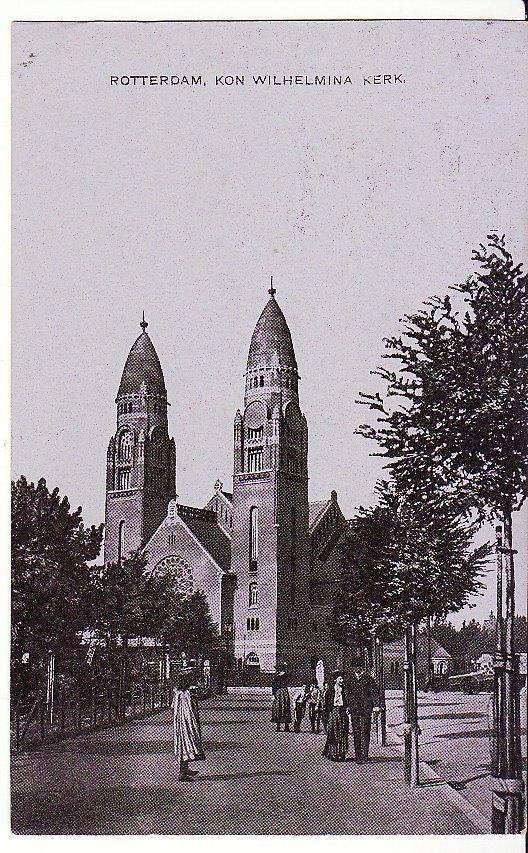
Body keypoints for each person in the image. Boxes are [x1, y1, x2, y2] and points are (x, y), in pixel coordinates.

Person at [173, 668, 205, 781]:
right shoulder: (188, 692)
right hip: (187, 722)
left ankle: (185, 769)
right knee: (187, 744)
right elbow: (203, 694)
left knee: (184, 745)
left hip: (181, 722)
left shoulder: (178, 692)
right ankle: (182, 773)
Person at [348, 665, 380, 762]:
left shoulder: (368, 678)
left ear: (361, 668)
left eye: (358, 667)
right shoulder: (350, 678)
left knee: (365, 731)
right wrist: (348, 706)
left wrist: (376, 705)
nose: (357, 669)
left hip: (366, 709)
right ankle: (358, 755)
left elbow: (374, 692)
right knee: (356, 732)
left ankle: (365, 755)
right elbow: (347, 693)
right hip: (354, 709)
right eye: (355, 667)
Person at [322, 670, 349, 761]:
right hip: (333, 712)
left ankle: (342, 753)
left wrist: (347, 708)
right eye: (340, 678)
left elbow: (347, 701)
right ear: (335, 680)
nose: (342, 680)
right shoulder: (330, 690)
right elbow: (327, 703)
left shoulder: (345, 690)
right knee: (333, 732)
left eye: (342, 678)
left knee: (342, 732)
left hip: (342, 712)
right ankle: (333, 753)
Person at [271, 667, 292, 732]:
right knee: (280, 708)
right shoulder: (278, 677)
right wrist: (273, 695)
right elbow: (273, 686)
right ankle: (281, 726)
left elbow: (273, 686)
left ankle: (283, 726)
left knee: (281, 708)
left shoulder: (282, 676)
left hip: (280, 693)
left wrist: (273, 694)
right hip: (281, 693)